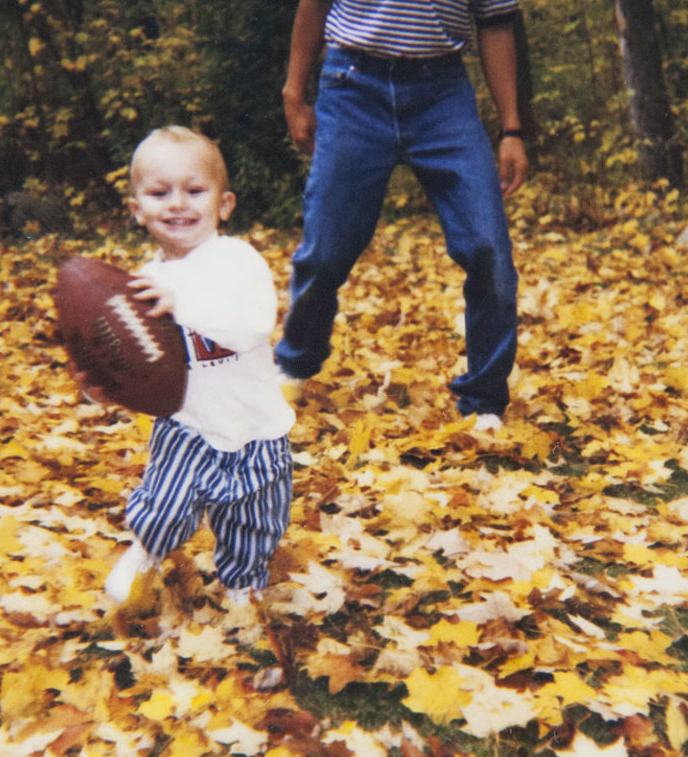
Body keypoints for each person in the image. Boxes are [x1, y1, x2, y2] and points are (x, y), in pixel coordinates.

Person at [274, 0, 529, 430]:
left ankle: (483, 400)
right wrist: (294, 91)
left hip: (443, 95)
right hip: (352, 85)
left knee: (489, 248)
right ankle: (296, 362)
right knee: (325, 249)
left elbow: (498, 24)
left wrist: (512, 130)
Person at [99, 126, 296, 606]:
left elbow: (250, 327)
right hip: (186, 425)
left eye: (194, 190)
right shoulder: (142, 284)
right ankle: (146, 548)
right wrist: (104, 381)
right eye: (159, 193)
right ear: (137, 210)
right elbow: (131, 359)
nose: (177, 204)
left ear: (223, 205)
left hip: (256, 425)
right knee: (166, 505)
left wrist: (180, 301)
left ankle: (242, 584)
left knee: (254, 518)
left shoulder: (237, 261)